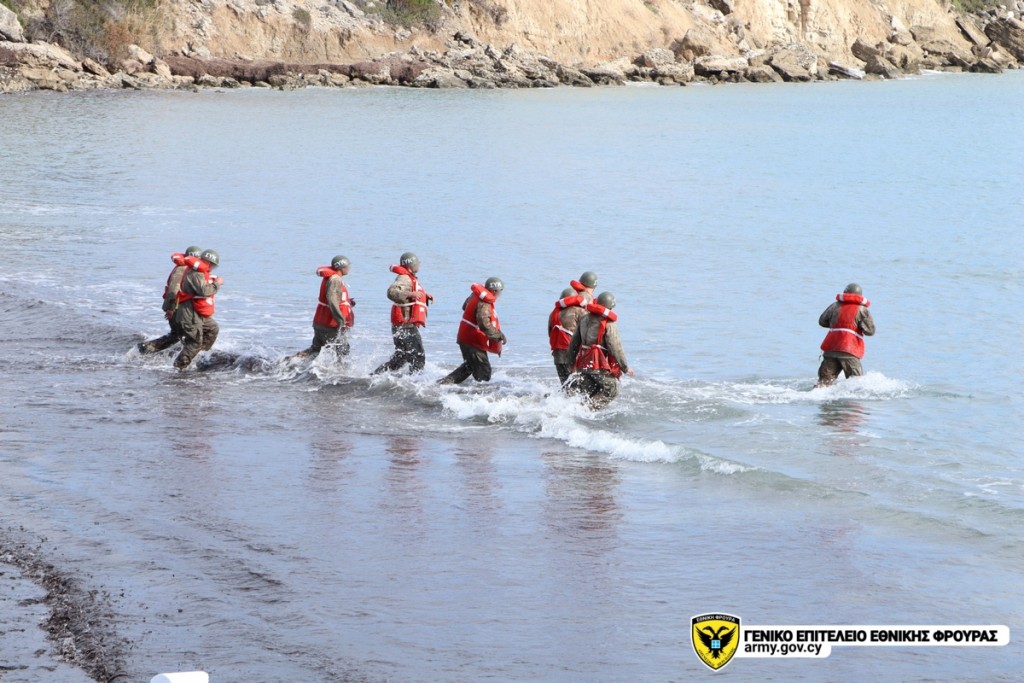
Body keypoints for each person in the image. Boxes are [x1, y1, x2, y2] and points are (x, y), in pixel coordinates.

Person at [567, 291, 633, 409]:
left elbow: (574, 343)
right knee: (611, 390)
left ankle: (576, 409)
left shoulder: (584, 318)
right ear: (610, 307)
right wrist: (625, 368)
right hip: (597, 364)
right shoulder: (609, 323)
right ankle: (587, 410)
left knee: (587, 390)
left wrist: (571, 363)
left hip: (583, 363)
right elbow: (615, 347)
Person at [372, 251, 432, 375]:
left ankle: (375, 376)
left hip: (401, 325)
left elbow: (410, 294)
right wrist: (410, 294)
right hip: (405, 325)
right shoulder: (404, 278)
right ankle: (416, 382)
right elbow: (392, 292)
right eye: (417, 263)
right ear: (411, 265)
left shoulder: (408, 278)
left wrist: (424, 296)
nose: (419, 265)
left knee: (401, 358)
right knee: (418, 357)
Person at [439, 277, 507, 385]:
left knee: (469, 366)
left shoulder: (475, 295)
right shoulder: (484, 303)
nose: (500, 294)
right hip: (472, 340)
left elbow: (464, 306)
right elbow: (484, 324)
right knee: (484, 373)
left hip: (465, 337)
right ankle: (480, 394)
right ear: (494, 291)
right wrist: (499, 336)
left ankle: (442, 385)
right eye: (500, 291)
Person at [138, 245, 204, 353]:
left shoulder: (186, 268)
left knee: (178, 335)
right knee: (178, 335)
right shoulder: (182, 269)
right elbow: (173, 290)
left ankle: (146, 349)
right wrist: (171, 309)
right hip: (176, 307)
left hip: (179, 307)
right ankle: (144, 349)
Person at [292, 255, 355, 360]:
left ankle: (289, 362)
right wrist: (341, 320)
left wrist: (348, 303)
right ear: (342, 267)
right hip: (330, 325)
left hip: (320, 322)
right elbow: (332, 300)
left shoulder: (330, 278)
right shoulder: (335, 280)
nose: (349, 268)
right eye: (348, 265)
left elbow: (332, 298)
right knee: (343, 351)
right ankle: (340, 370)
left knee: (315, 349)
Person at [815, 282, 876, 387]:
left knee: (823, 384)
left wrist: (835, 324)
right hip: (849, 350)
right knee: (856, 383)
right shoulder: (862, 310)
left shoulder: (834, 306)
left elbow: (822, 321)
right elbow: (870, 331)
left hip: (831, 348)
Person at [173, 249, 223, 370]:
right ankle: (178, 368)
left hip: (195, 311)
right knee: (194, 342)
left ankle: (199, 356)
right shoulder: (196, 273)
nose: (212, 269)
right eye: (213, 266)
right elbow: (204, 291)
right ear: (209, 263)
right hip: (189, 313)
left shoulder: (199, 272)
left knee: (212, 328)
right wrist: (217, 283)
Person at [548, 270, 598, 385]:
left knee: (565, 386)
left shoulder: (554, 314)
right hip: (572, 354)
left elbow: (550, 333)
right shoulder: (579, 311)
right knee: (577, 387)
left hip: (558, 355)